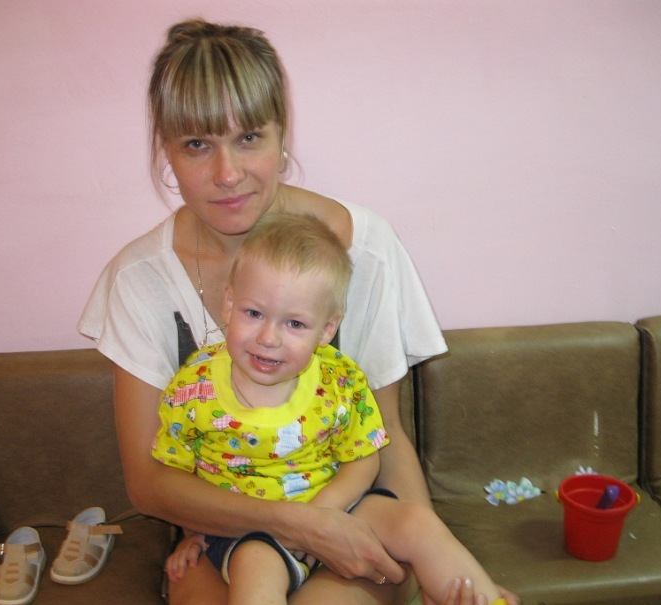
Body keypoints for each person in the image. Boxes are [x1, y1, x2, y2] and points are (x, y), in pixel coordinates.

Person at [78, 18, 518, 605]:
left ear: (282, 135)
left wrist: (418, 554)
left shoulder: (365, 251)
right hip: (225, 533)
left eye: (249, 137)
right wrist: (298, 525)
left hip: (350, 509)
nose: (227, 174)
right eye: (197, 144)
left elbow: (382, 439)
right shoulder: (139, 281)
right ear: (167, 151)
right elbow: (151, 483)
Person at [154, 213, 508, 605]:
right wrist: (193, 533)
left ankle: (481, 598)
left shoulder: (339, 379)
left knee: (416, 522)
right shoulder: (193, 388)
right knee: (254, 568)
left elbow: (364, 459)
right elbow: (177, 471)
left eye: (294, 324)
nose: (268, 338)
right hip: (252, 532)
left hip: (339, 508)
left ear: (326, 329)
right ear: (229, 303)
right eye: (254, 314)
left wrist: (321, 515)